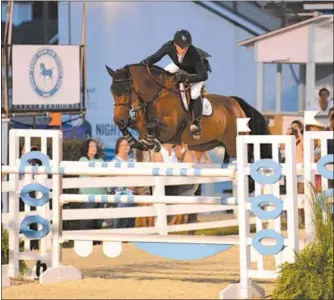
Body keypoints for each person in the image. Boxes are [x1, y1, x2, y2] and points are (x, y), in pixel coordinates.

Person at [141, 29, 211, 136]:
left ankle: (196, 122)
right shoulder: (168, 46)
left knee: (194, 93)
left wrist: (186, 78)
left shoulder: (193, 54)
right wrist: (145, 63)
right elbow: (156, 57)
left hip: (196, 72)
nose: (184, 50)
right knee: (163, 76)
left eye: (186, 47)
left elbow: (204, 76)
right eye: (181, 47)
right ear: (175, 44)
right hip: (181, 65)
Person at [78, 139, 108, 230]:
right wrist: (102, 173)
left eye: (95, 146)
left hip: (101, 194)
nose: (93, 148)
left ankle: (96, 244)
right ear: (86, 148)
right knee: (87, 221)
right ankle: (84, 242)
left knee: (98, 222)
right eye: (91, 146)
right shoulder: (82, 160)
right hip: (88, 195)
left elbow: (105, 173)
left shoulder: (100, 160)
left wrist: (102, 173)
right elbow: (92, 173)